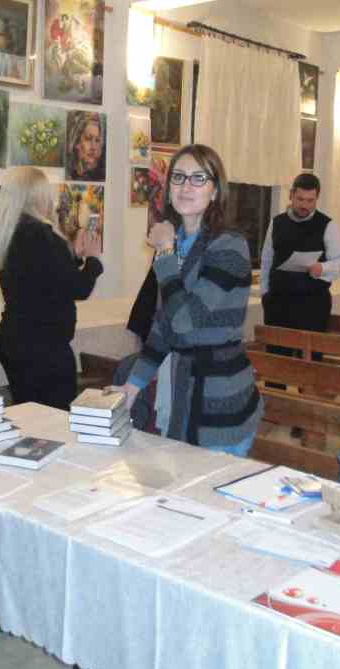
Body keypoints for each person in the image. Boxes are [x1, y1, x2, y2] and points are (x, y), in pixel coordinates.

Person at [109, 144, 262, 455]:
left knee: (212, 485)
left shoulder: (230, 246)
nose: (185, 186)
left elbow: (185, 323)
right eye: (178, 177)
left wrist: (165, 252)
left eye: (198, 178)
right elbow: (164, 325)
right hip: (183, 395)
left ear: (215, 191)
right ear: (168, 189)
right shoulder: (176, 243)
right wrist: (133, 386)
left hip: (221, 402)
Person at [0, 167, 103, 410]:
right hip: (44, 348)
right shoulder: (43, 235)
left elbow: (45, 280)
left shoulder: (10, 233)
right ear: (37, 197)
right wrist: (93, 260)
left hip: (13, 340)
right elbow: (78, 288)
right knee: (55, 418)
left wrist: (75, 257)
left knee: (27, 414)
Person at [260, 172, 340, 357]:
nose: (305, 205)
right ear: (291, 195)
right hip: (278, 303)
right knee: (276, 361)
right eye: (300, 199)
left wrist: (322, 268)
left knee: (310, 362)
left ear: (317, 199)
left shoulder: (327, 225)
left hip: (313, 305)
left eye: (310, 201)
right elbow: (267, 259)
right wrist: (264, 293)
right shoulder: (277, 223)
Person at [66, 111, 105, 181]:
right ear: (76, 142)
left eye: (97, 140)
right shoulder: (68, 176)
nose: (94, 147)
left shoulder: (100, 177)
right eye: (88, 139)